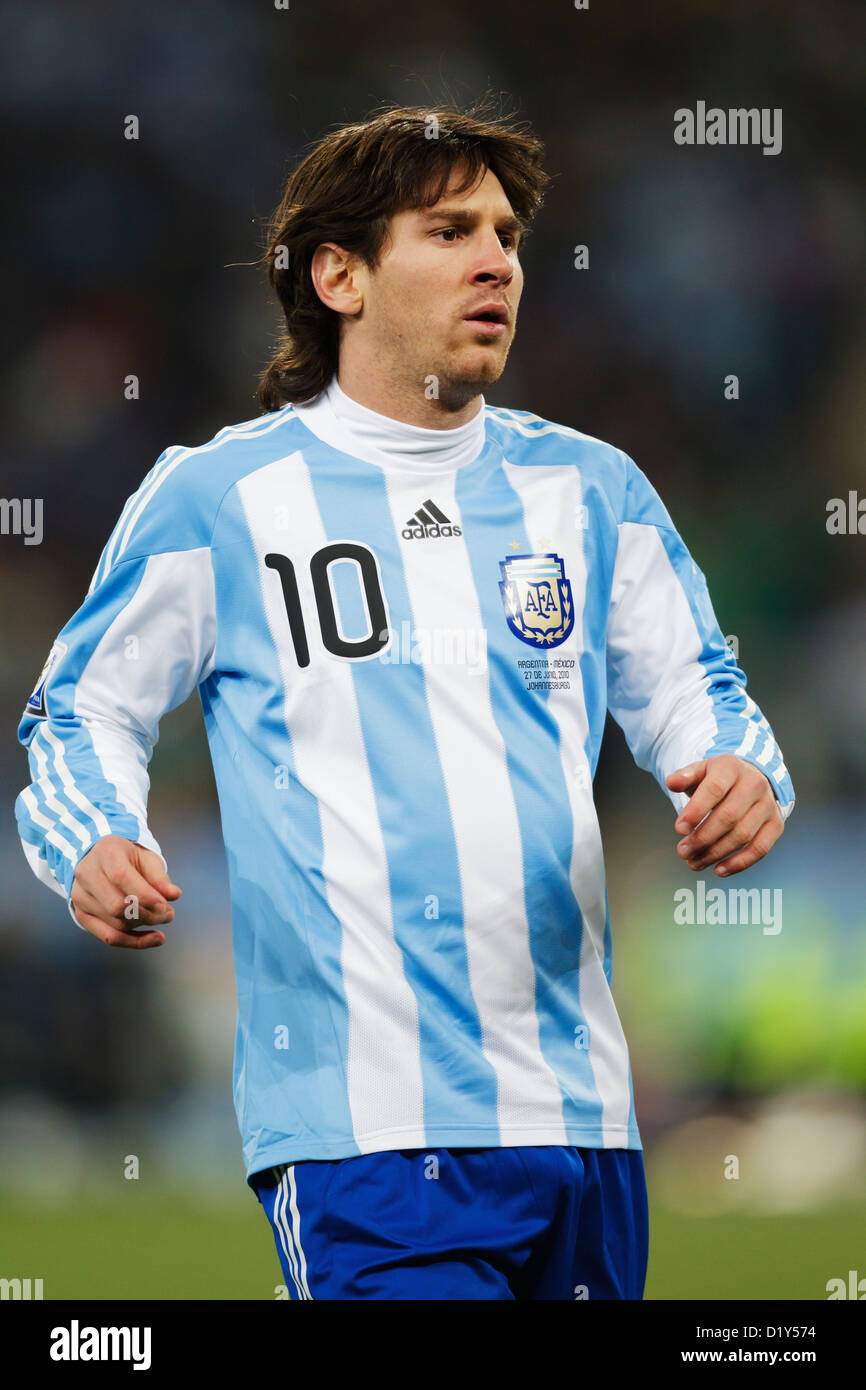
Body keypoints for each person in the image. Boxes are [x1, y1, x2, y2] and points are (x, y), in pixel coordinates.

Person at [15, 101, 794, 1300]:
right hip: (363, 1133)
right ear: (338, 275)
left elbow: (701, 692)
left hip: (581, 1121)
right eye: (448, 231)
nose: (497, 261)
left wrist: (739, 771)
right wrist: (97, 837)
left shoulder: (589, 490)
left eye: (506, 234)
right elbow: (81, 714)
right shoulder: (222, 498)